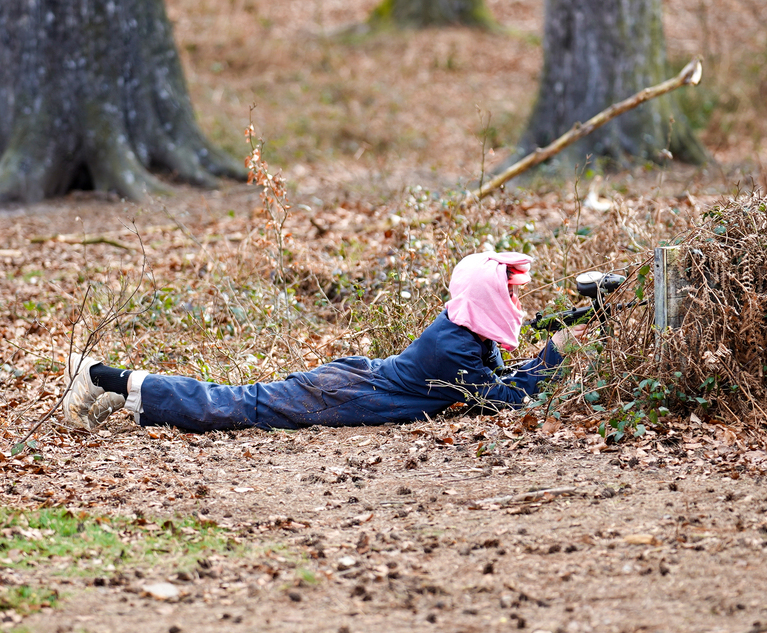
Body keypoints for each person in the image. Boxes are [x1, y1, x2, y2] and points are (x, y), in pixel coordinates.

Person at [61, 252, 586, 434]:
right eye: (508, 290)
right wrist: (556, 354)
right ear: (487, 295)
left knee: (238, 401)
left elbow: (494, 372)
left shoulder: (464, 325)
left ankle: (120, 395)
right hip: (344, 395)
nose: (514, 299)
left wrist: (562, 331)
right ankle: (105, 377)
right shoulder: (454, 345)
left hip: (351, 382)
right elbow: (501, 398)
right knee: (237, 405)